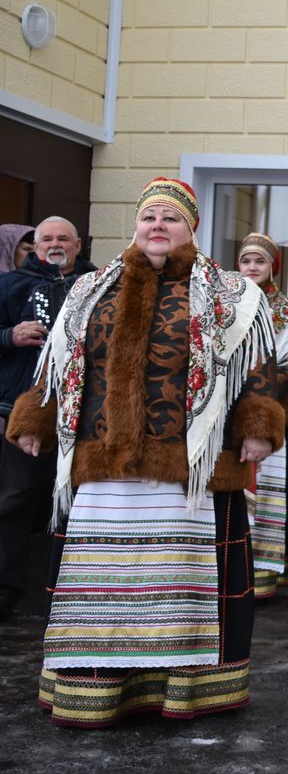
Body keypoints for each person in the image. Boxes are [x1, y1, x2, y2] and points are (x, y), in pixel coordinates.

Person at [6, 179, 284, 727]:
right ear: (135, 226)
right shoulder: (90, 290)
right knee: (101, 587)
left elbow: (256, 368)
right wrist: (35, 416)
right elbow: (60, 365)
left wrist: (257, 425)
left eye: (171, 218)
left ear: (192, 229)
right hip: (102, 464)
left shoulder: (232, 293)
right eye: (150, 216)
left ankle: (183, 689)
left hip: (191, 473)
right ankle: (96, 689)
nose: (158, 225)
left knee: (181, 587)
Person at [0, 217, 94, 617]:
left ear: (77, 245)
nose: (55, 244)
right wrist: (9, 335)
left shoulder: (99, 285)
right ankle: (5, 590)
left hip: (84, 413)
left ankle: (73, 593)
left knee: (79, 502)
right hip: (22, 411)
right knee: (14, 499)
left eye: (63, 239)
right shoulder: (11, 285)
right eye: (47, 239)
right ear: (35, 247)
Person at [237, 232, 288, 600]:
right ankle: (232, 570)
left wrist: (254, 383)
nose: (252, 267)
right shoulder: (224, 306)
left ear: (273, 268)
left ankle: (264, 575)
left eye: (260, 261)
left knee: (269, 495)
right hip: (229, 418)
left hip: (271, 414)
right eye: (246, 261)